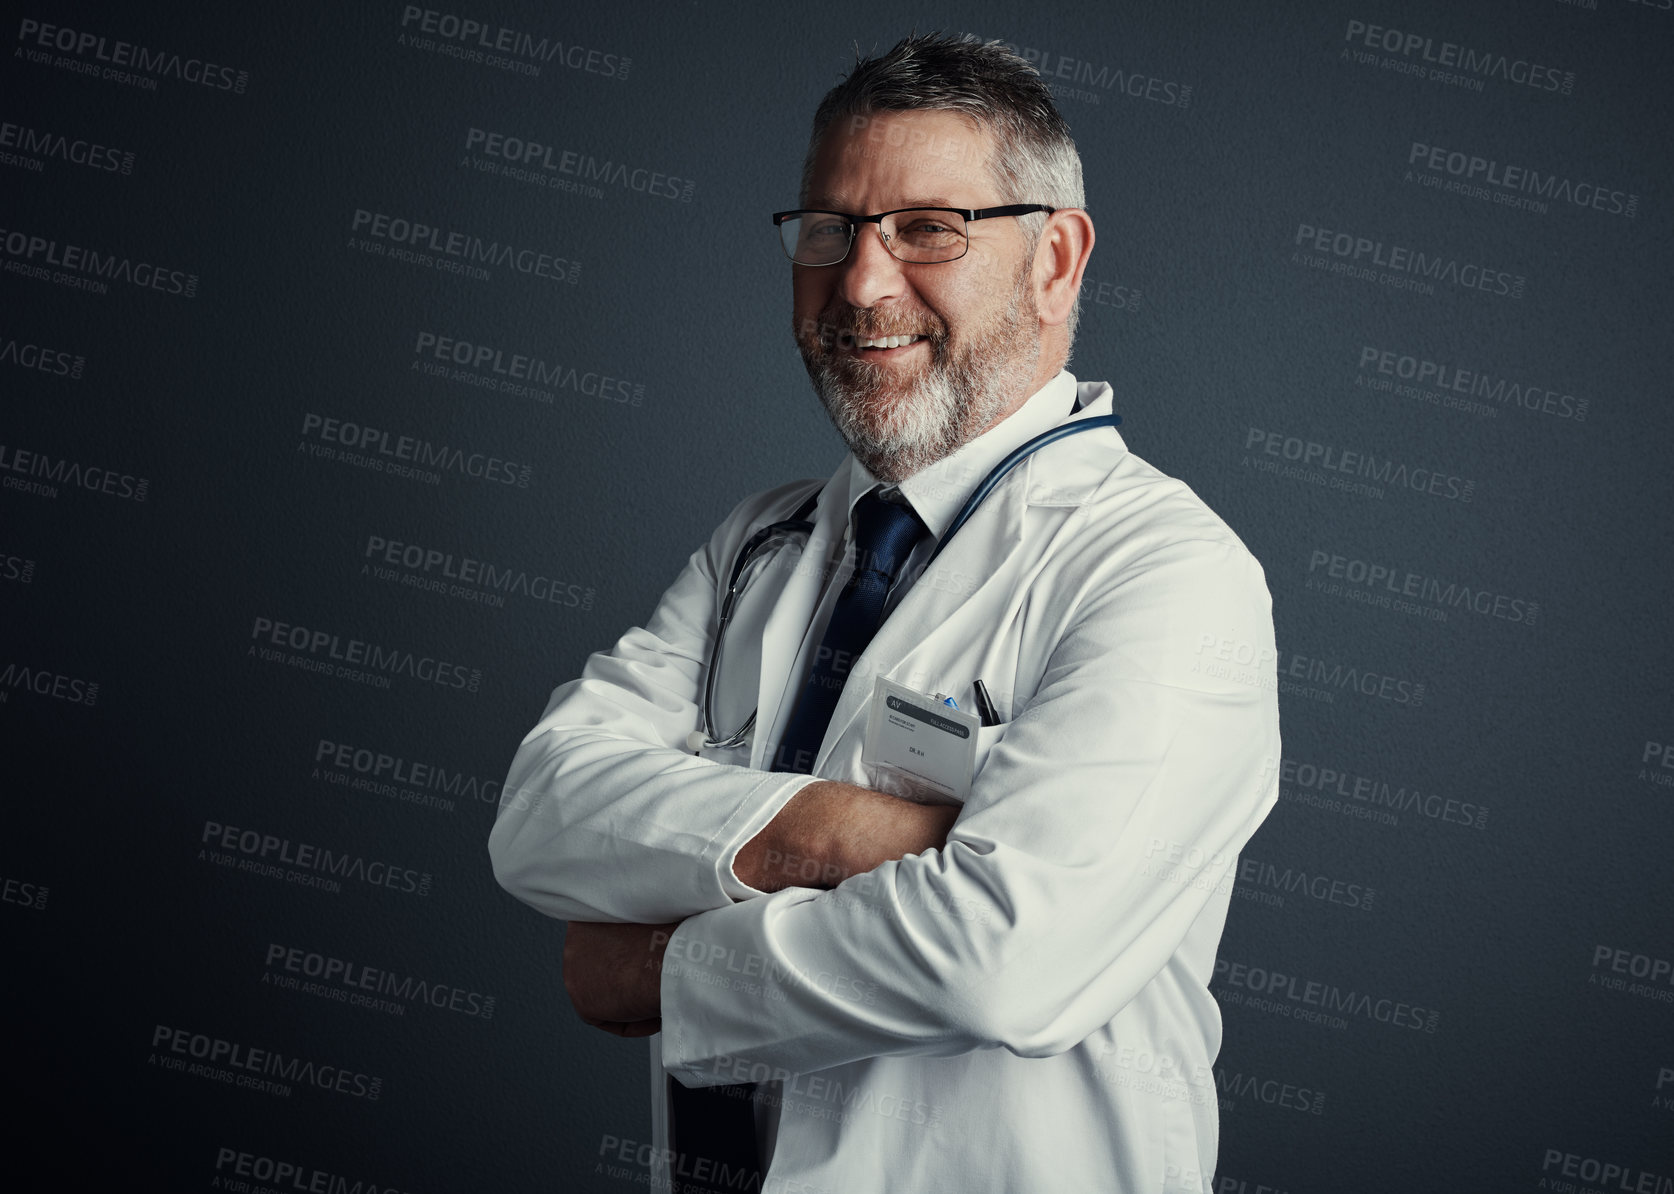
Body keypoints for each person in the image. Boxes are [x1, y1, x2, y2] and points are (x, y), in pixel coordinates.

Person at [490, 33, 1280, 1194]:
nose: (860, 284)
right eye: (829, 230)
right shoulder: (757, 545)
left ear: (1054, 259)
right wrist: (836, 833)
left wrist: (657, 971)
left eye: (928, 229)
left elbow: (1000, 962)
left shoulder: (1162, 569)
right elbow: (541, 811)